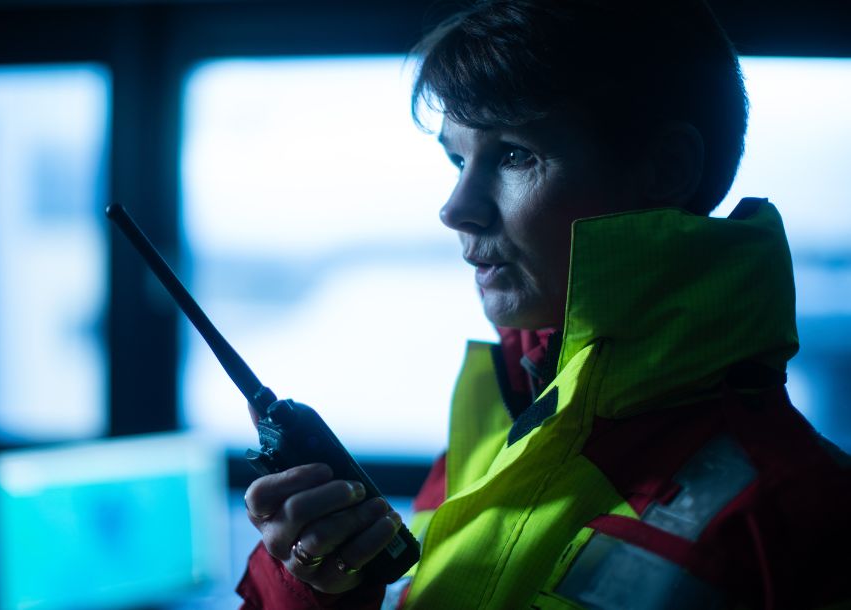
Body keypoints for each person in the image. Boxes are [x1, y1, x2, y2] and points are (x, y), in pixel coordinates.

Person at [236, 1, 851, 608]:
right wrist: (322, 594)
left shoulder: (801, 510)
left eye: (513, 154)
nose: (455, 208)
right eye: (457, 158)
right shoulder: (503, 427)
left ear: (666, 169)